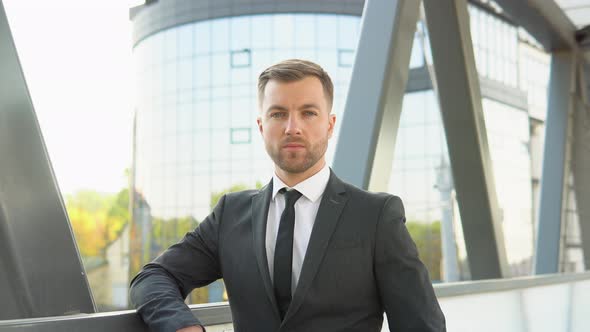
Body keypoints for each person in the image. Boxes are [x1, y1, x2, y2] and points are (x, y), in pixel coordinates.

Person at [130, 59, 446, 332]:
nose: (292, 127)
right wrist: (181, 325)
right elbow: (154, 276)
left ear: (330, 125)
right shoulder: (230, 214)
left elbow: (422, 325)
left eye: (308, 113)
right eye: (278, 114)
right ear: (261, 125)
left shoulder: (377, 216)